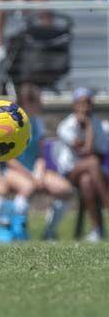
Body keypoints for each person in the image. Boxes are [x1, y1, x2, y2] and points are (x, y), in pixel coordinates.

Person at [4, 83, 74, 240]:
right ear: (28, 103)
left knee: (65, 190)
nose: (42, 104)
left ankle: (49, 232)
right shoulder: (10, 124)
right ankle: (18, 232)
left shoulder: (37, 122)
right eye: (38, 101)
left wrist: (39, 174)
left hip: (34, 170)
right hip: (13, 170)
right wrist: (31, 176)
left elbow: (40, 155)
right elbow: (8, 159)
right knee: (27, 187)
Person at [54, 87, 109, 241]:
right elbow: (86, 151)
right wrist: (89, 128)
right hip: (69, 173)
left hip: (91, 176)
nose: (85, 107)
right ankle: (107, 202)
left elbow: (101, 152)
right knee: (92, 162)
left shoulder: (98, 124)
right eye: (81, 103)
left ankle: (96, 231)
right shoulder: (66, 126)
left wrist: (90, 126)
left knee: (87, 182)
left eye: (88, 103)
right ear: (75, 105)